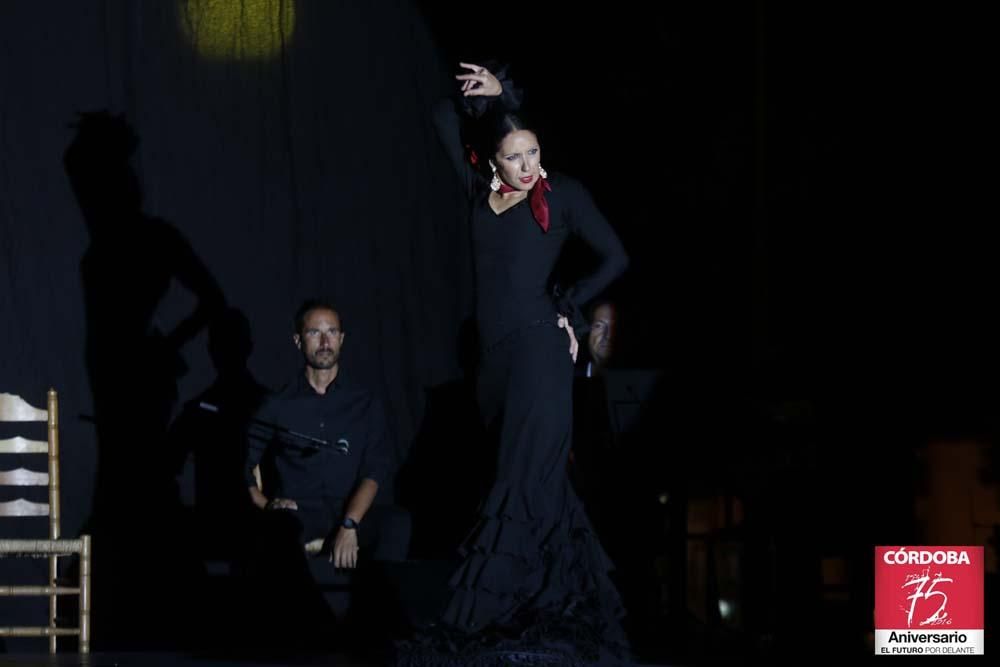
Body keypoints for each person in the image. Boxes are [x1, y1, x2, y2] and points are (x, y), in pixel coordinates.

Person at [407, 62, 632, 665]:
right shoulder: (474, 193)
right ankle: (556, 611)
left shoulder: (564, 198)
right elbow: (438, 119)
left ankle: (478, 618)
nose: (529, 165)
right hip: (494, 368)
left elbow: (615, 257)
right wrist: (486, 99)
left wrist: (568, 306)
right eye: (515, 157)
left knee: (519, 480)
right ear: (493, 161)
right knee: (539, 487)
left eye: (534, 152)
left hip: (540, 352)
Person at [245, 300, 411, 578]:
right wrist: (266, 505)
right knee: (273, 537)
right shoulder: (276, 405)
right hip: (298, 515)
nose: (324, 341)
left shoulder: (365, 403)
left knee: (397, 523)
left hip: (349, 512)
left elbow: (375, 469)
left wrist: (350, 524)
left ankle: (380, 615)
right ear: (298, 341)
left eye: (332, 332)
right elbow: (242, 462)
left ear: (342, 339)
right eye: (314, 333)